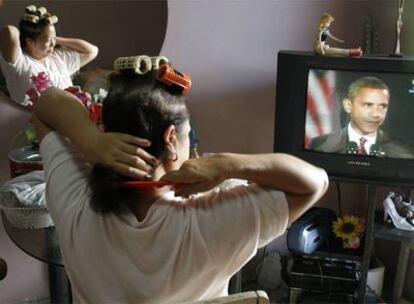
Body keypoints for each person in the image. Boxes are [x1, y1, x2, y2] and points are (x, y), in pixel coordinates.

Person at [32, 59, 328, 303]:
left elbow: (45, 106)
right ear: (171, 140)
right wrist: (228, 164)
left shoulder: (77, 205)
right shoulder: (210, 221)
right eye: (189, 134)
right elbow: (315, 182)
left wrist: (90, 140)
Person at [0, 5, 98, 106]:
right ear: (30, 41)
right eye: (48, 41)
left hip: (67, 117)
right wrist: (28, 26)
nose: (53, 44)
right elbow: (9, 31)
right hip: (29, 119)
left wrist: (53, 38)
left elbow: (92, 51)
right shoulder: (20, 63)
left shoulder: (58, 57)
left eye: (54, 39)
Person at [309, 76, 414, 158]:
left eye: (382, 106)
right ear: (348, 106)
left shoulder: (404, 152)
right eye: (368, 105)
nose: (375, 114)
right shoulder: (318, 145)